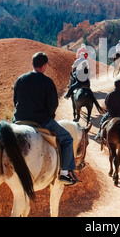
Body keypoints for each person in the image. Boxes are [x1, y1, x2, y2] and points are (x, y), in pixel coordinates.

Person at [12, 52, 77, 185]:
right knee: (67, 138)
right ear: (45, 65)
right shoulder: (47, 82)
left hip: (18, 120)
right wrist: (50, 117)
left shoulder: (20, 79)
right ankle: (65, 173)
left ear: (32, 64)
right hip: (40, 121)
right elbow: (53, 105)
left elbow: (15, 101)